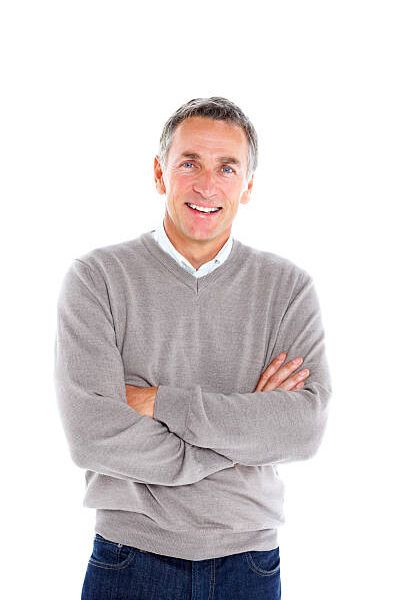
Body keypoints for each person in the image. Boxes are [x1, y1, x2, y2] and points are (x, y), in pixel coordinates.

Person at [54, 96, 332, 599]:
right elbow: (91, 435)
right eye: (190, 163)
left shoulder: (287, 288)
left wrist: (160, 402)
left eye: (227, 167)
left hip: (248, 565)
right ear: (160, 174)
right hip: (128, 560)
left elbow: (303, 427)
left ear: (247, 185)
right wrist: (237, 440)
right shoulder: (98, 280)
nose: (207, 185)